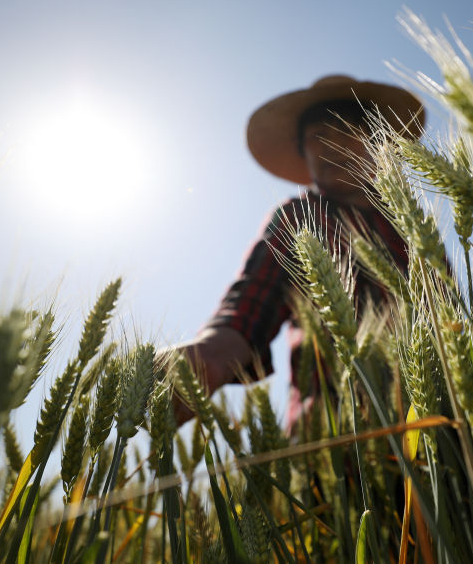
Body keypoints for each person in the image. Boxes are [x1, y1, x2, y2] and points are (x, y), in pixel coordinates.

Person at [164, 74, 426, 427]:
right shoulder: (299, 219)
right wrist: (209, 355)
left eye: (345, 130)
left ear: (377, 142)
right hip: (334, 442)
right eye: (317, 137)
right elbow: (249, 306)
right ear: (304, 154)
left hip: (447, 437)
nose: (331, 145)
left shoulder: (414, 227)